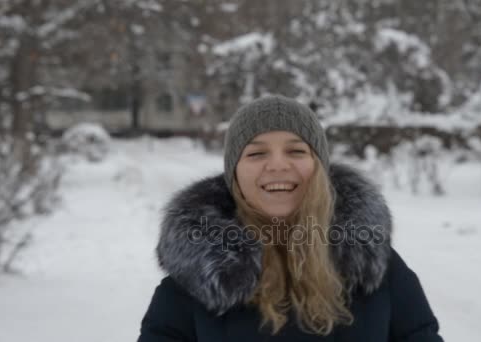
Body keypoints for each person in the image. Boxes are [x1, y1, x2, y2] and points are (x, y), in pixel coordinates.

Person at [137, 95, 444, 341]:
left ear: (319, 167)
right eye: (256, 154)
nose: (278, 165)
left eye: (296, 151)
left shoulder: (376, 266)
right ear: (234, 175)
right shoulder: (197, 275)